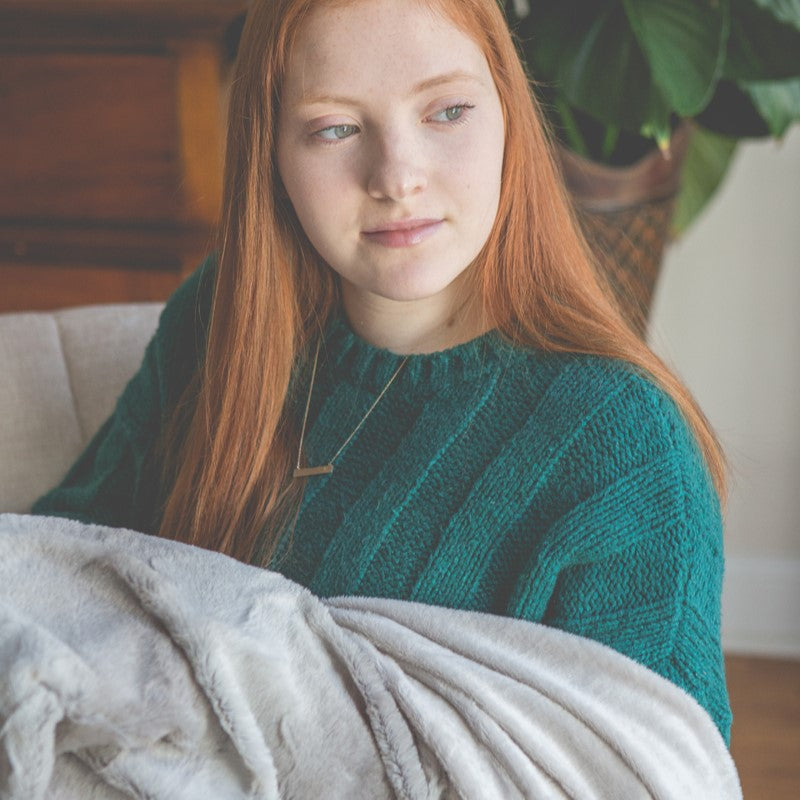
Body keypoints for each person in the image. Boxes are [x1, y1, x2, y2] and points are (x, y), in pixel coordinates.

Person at [33, 0, 732, 743]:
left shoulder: (624, 449)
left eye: (448, 111)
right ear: (271, 150)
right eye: (334, 128)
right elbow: (53, 571)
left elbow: (658, 772)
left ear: (509, 115)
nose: (397, 176)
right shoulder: (220, 320)